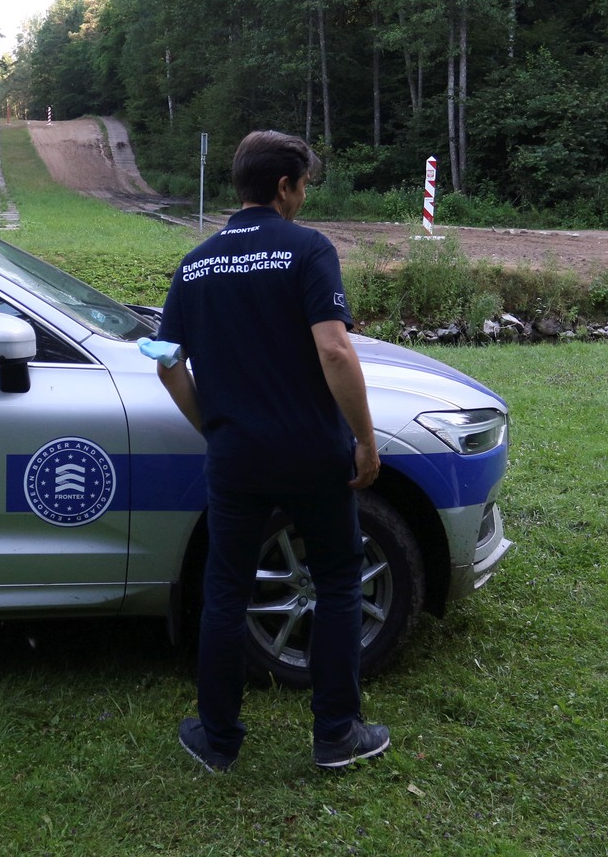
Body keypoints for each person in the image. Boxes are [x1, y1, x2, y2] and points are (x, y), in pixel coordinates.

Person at [151, 129, 388, 772]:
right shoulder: (308, 249)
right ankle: (336, 734)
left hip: (237, 456)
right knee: (339, 581)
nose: (304, 197)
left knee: (225, 589)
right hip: (313, 450)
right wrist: (365, 439)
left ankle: (218, 738)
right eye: (303, 185)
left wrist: (214, 426)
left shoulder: (195, 262)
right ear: (283, 187)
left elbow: (168, 363)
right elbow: (335, 349)